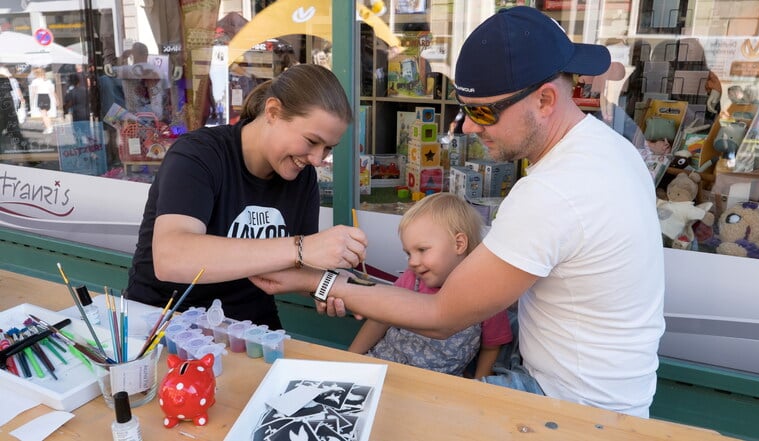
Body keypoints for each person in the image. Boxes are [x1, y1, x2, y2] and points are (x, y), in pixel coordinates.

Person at [252, 6, 665, 418]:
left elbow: (440, 315)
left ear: (545, 100)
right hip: (593, 391)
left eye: (483, 112)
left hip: (573, 408)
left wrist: (316, 281)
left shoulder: (554, 191)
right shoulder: (609, 149)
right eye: (464, 108)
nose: (467, 126)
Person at [126, 63, 368, 328]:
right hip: (166, 322)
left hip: (250, 328)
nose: (317, 159)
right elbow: (172, 257)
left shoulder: (302, 174)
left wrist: (328, 284)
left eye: (328, 148)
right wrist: (303, 247)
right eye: (311, 141)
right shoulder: (198, 154)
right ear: (273, 112)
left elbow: (295, 265)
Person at [348, 193, 512, 377]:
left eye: (422, 250)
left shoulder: (486, 295)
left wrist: (478, 388)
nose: (412, 262)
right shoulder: (411, 280)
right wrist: (349, 361)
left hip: (435, 389)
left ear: (459, 244)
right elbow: (378, 321)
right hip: (381, 368)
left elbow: (491, 347)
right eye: (409, 253)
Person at [63, 73, 91, 146]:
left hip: (77, 115)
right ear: (79, 81)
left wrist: (65, 111)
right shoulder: (85, 90)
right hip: (86, 114)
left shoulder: (71, 92)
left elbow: (68, 104)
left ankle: (80, 148)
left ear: (71, 82)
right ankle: (91, 149)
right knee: (87, 133)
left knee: (78, 134)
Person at [29, 67, 57, 135]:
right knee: (46, 114)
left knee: (44, 115)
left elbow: (33, 92)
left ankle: (49, 128)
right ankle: (49, 127)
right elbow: (52, 91)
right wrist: (56, 99)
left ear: (36, 74)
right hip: (47, 97)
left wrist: (32, 101)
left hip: (41, 97)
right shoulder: (48, 81)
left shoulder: (35, 81)